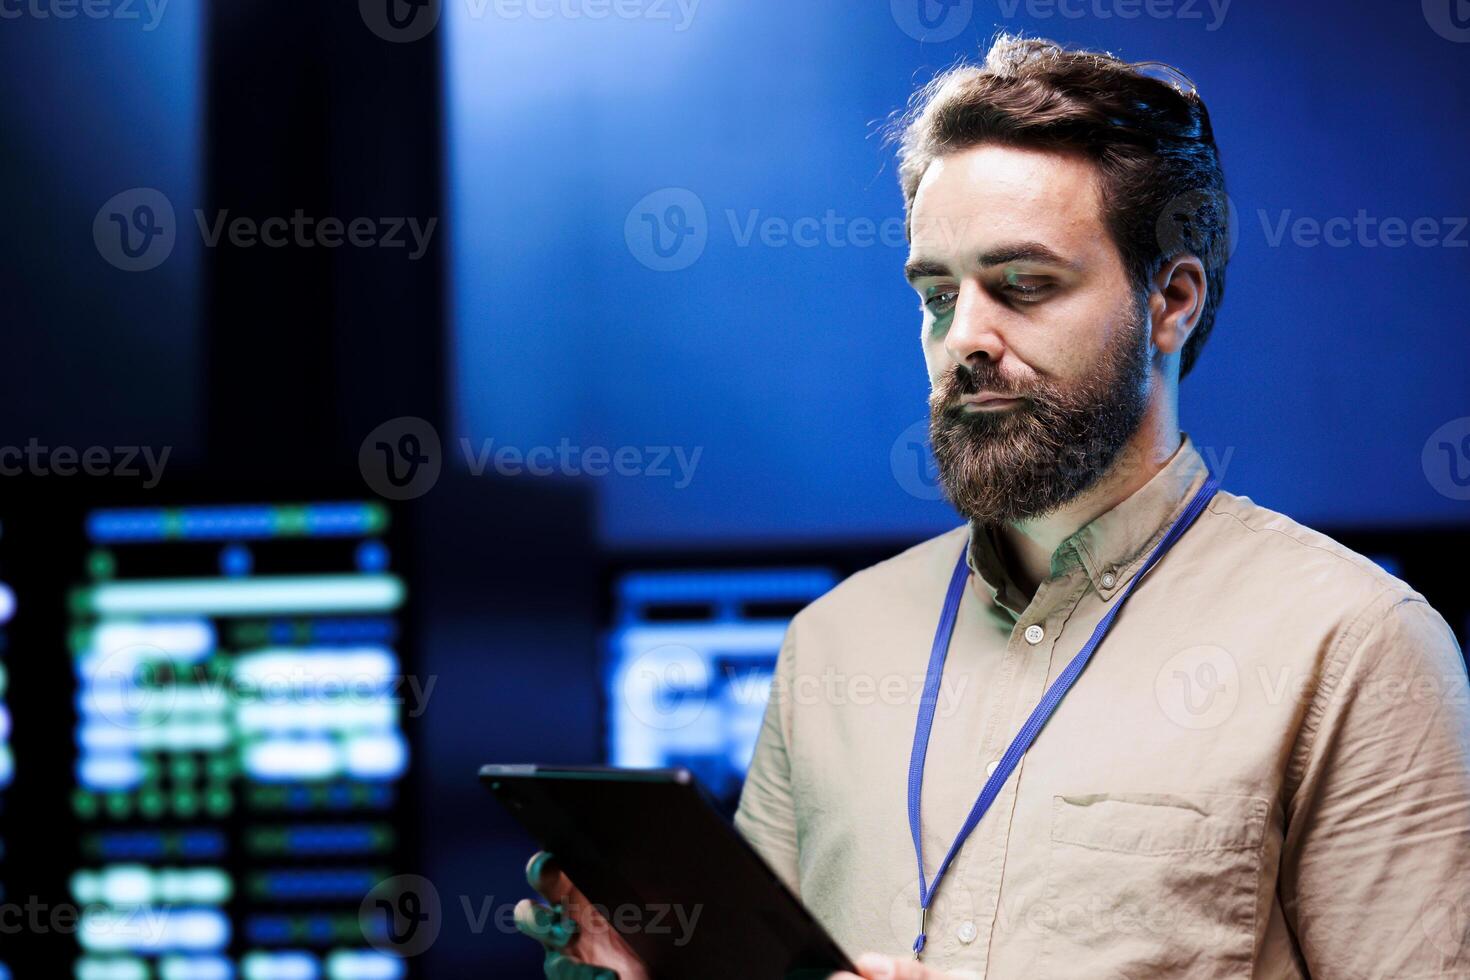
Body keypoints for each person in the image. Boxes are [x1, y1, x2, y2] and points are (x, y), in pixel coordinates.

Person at [514, 33, 1470, 979]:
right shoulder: (834, 644)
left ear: (1170, 301)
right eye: (937, 295)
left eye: (1022, 285)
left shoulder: (1355, 647)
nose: (964, 337)